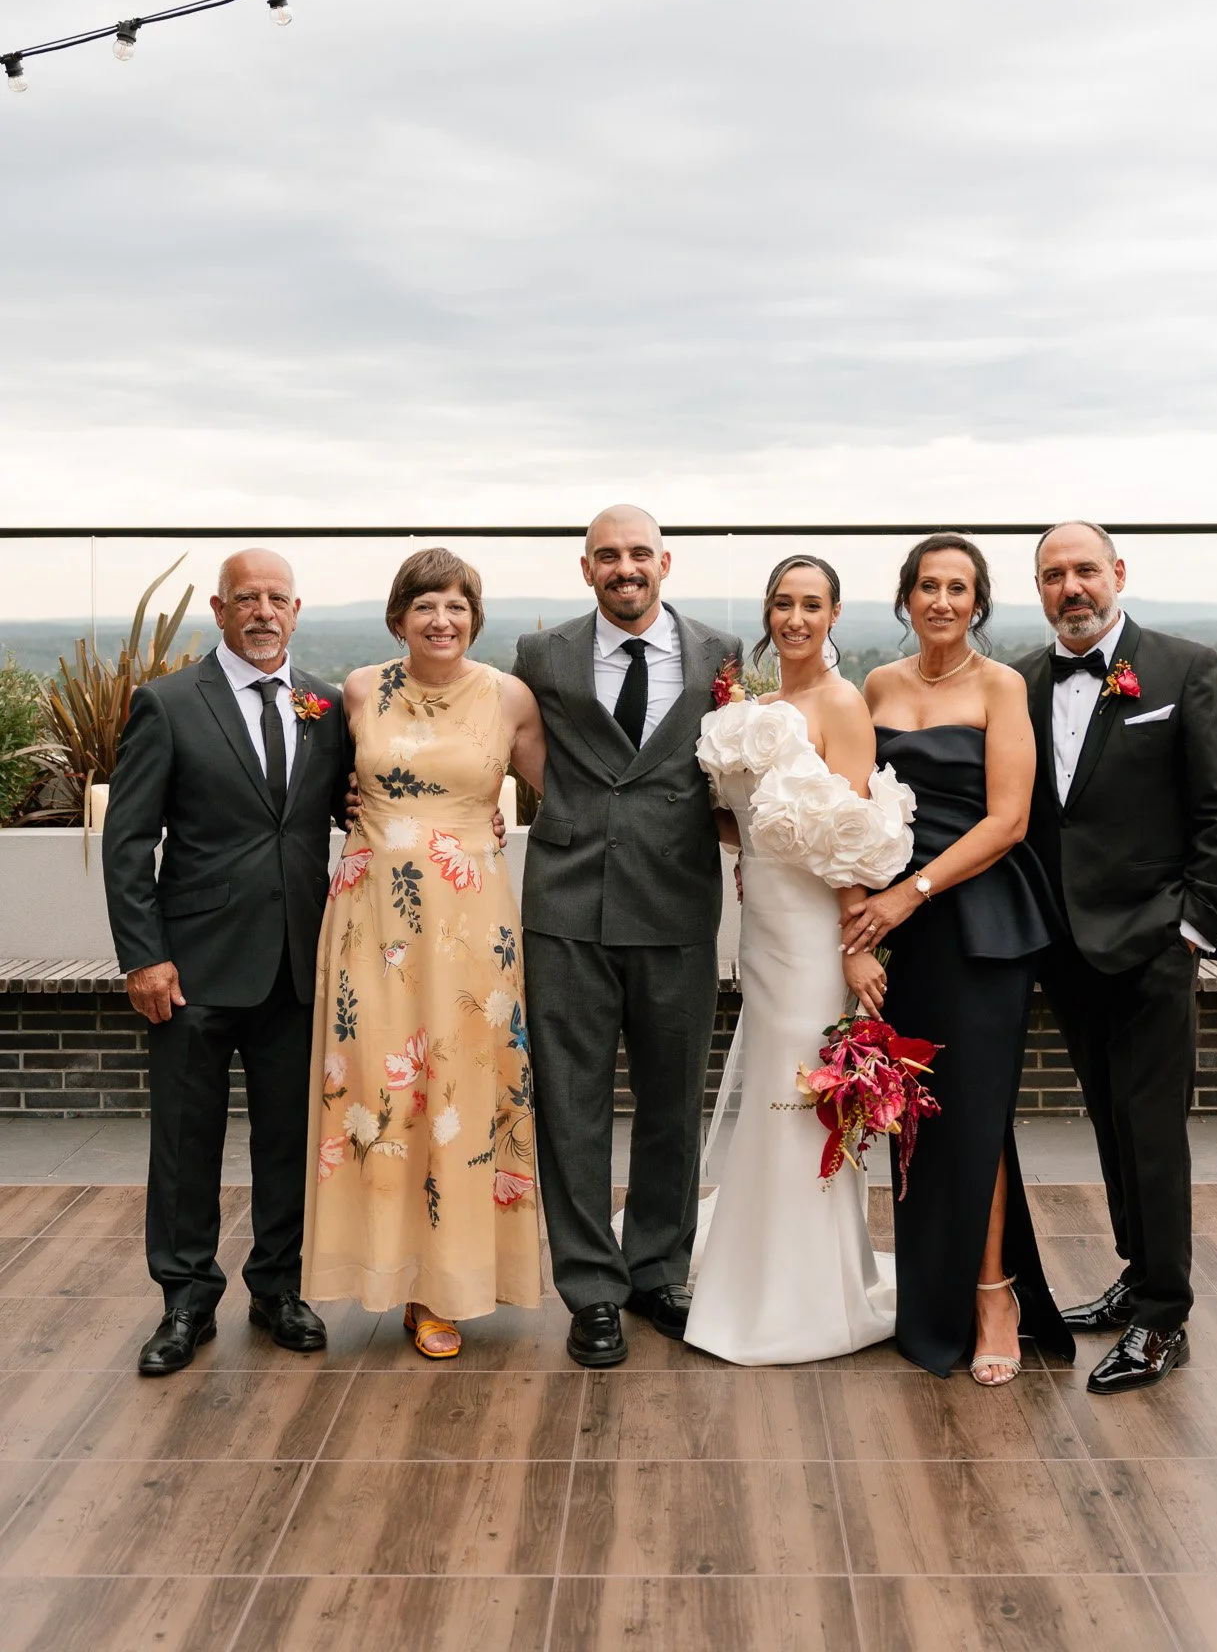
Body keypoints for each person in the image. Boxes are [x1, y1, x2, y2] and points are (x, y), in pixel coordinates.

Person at [1015, 521, 1217, 1393]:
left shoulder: (1185, 670)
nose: (1070, 588)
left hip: (1155, 945)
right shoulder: (1022, 681)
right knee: (1110, 1123)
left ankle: (1163, 1318)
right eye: (1052, 575)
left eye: (1084, 570)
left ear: (1117, 573)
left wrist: (1194, 927)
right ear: (1037, 588)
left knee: (1152, 1131)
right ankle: (1133, 1273)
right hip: (1065, 948)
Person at [103, 549, 350, 1375]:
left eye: (277, 598)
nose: (263, 611)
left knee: (287, 1139)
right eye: (247, 598)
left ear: (297, 607)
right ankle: (184, 1301)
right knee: (184, 1143)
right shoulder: (168, 704)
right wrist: (145, 957)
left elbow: (363, 803)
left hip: (295, 965)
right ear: (218, 608)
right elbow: (129, 839)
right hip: (193, 968)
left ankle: (278, 1288)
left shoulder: (326, 707)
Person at [512, 505, 743, 1367]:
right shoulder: (542, 657)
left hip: (677, 904)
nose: (624, 568)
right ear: (585, 570)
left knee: (672, 1102)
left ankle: (657, 1271)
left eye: (638, 553)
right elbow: (486, 732)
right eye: (606, 556)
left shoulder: (722, 655)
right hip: (565, 907)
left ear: (665, 562)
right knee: (568, 1106)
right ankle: (592, 1290)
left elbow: (736, 771)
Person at [301, 549, 545, 1357]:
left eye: (457, 605)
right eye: (425, 605)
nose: (442, 619)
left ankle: (453, 1283)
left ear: (475, 616)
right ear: (397, 617)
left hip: (473, 922)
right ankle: (390, 1274)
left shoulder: (510, 697)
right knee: (379, 1085)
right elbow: (322, 791)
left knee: (465, 1091)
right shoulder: (361, 691)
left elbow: (569, 800)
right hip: (373, 917)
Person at [850, 534, 1075, 1382]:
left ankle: (993, 1295)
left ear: (976, 603)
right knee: (916, 1113)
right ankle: (929, 1297)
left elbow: (1007, 820)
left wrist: (913, 892)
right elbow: (858, 805)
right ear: (905, 597)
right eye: (926, 586)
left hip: (976, 923)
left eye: (957, 588)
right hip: (897, 931)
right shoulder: (877, 685)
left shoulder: (1000, 685)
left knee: (973, 1113)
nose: (940, 600)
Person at [685, 555, 914, 1365]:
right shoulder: (755, 710)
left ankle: (806, 1289)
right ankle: (758, 1265)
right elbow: (746, 824)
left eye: (810, 605)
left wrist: (857, 952)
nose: (794, 619)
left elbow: (854, 838)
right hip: (764, 932)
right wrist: (745, 843)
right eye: (782, 603)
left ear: (834, 615)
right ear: (767, 611)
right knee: (771, 1101)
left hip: (819, 935)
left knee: (804, 1095)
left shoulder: (843, 705)